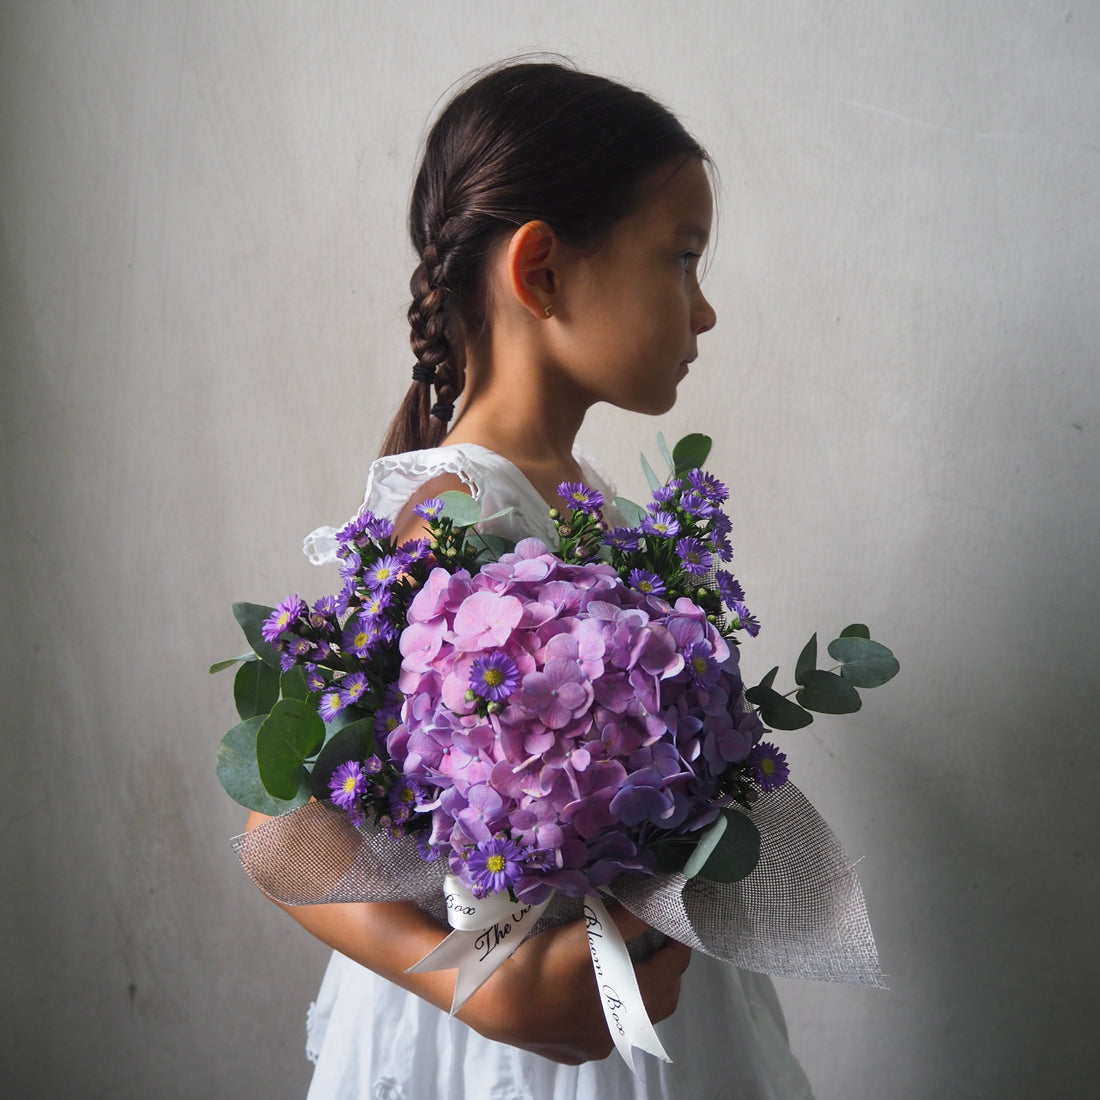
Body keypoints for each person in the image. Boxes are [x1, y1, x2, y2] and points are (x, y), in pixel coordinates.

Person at [246, 60, 815, 1099]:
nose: (704, 312)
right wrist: (492, 993)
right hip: (505, 1040)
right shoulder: (449, 508)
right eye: (679, 259)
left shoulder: (600, 508)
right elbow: (276, 822)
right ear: (542, 271)